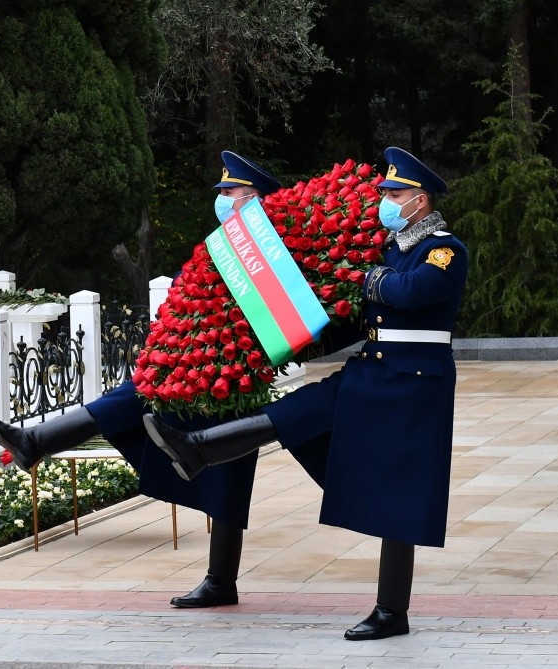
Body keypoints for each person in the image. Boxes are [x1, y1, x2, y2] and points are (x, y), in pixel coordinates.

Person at [143, 147, 468, 641]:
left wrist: (362, 277)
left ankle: (391, 611)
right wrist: (296, 338)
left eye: (395, 194)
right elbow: (362, 315)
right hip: (372, 371)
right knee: (292, 412)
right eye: (385, 192)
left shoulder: (443, 249)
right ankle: (199, 451)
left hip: (416, 383)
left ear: (420, 201)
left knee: (399, 495)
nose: (386, 200)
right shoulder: (392, 249)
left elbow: (408, 293)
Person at [0, 151, 282, 608]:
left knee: (228, 470)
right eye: (221, 193)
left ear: (255, 200)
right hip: (191, 361)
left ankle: (221, 580)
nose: (222, 200)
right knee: (134, 396)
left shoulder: (270, 249)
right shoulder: (218, 245)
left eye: (231, 193)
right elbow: (186, 292)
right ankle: (35, 440)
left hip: (234, 368)